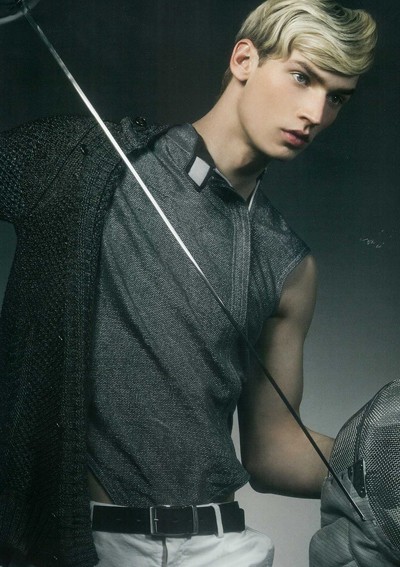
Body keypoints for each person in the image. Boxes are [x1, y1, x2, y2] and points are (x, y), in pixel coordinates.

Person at [0, 0, 377, 566]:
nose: (315, 112)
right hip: (88, 544)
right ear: (244, 59)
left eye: (337, 97)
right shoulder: (85, 160)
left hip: (224, 548)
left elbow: (273, 452)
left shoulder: (290, 265)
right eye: (303, 77)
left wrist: (383, 469)